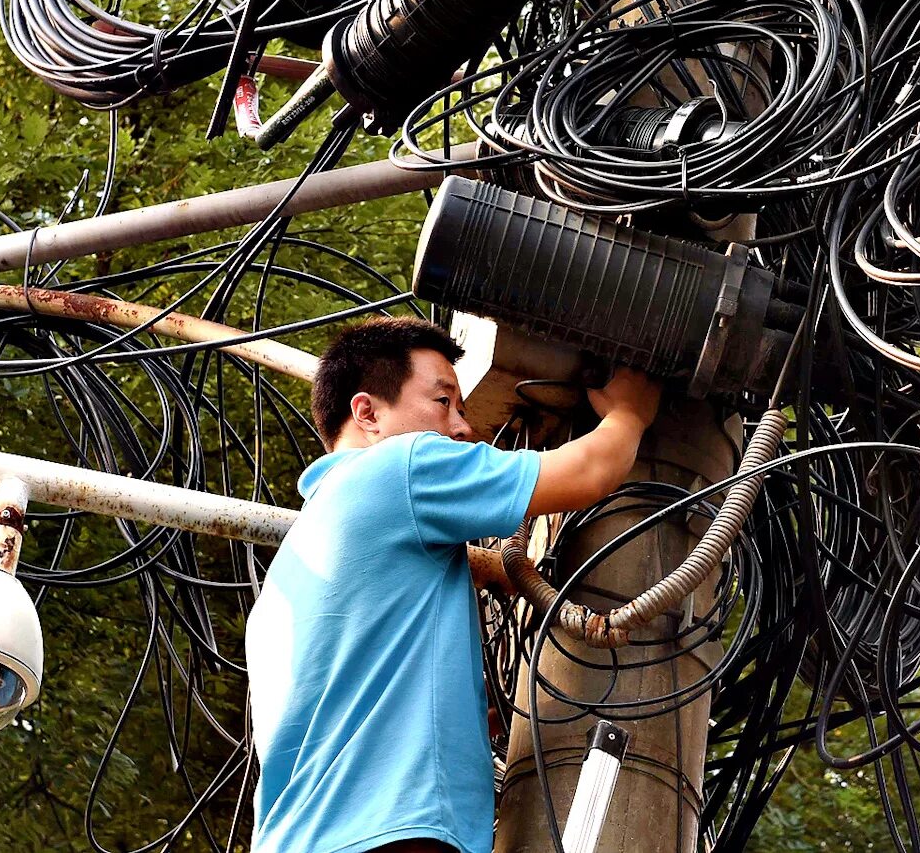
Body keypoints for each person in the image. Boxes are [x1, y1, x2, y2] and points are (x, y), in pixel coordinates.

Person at [245, 316, 663, 853]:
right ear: (367, 412)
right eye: (444, 402)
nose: (463, 427)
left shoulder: (292, 572)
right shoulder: (400, 468)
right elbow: (590, 471)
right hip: (391, 835)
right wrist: (630, 411)